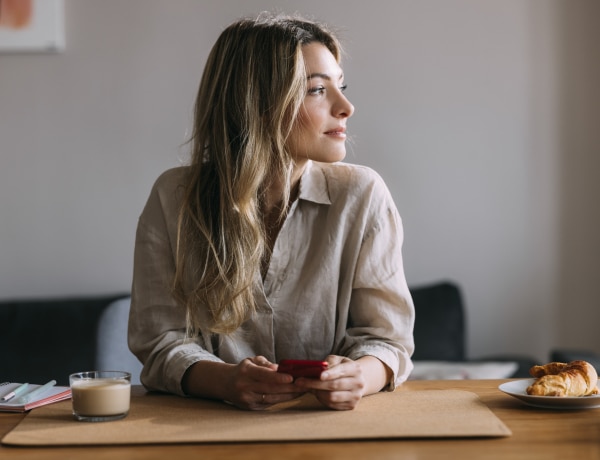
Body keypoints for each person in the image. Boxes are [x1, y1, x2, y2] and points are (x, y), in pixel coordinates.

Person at [128, 12, 414, 411]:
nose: (346, 106)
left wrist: (359, 376)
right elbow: (160, 342)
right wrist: (227, 381)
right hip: (206, 433)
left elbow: (387, 341)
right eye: (317, 89)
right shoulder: (174, 197)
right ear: (256, 103)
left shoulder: (363, 196)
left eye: (341, 86)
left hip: (332, 431)